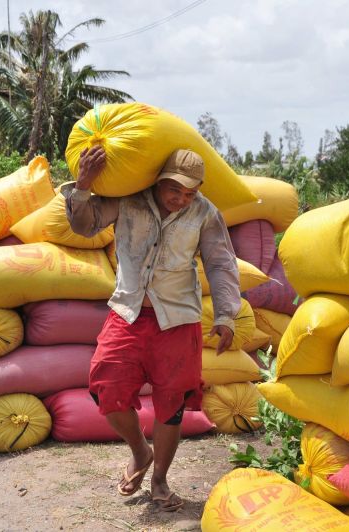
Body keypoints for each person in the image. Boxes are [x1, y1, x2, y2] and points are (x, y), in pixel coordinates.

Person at [64, 145, 240, 511]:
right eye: (175, 190)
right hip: (128, 312)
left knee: (171, 404)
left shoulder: (204, 213)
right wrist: (83, 185)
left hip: (178, 320)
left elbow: (221, 264)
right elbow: (83, 225)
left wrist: (225, 316)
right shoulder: (128, 200)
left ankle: (159, 480)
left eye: (190, 193)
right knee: (104, 387)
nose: (181, 199)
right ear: (160, 181)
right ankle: (140, 451)